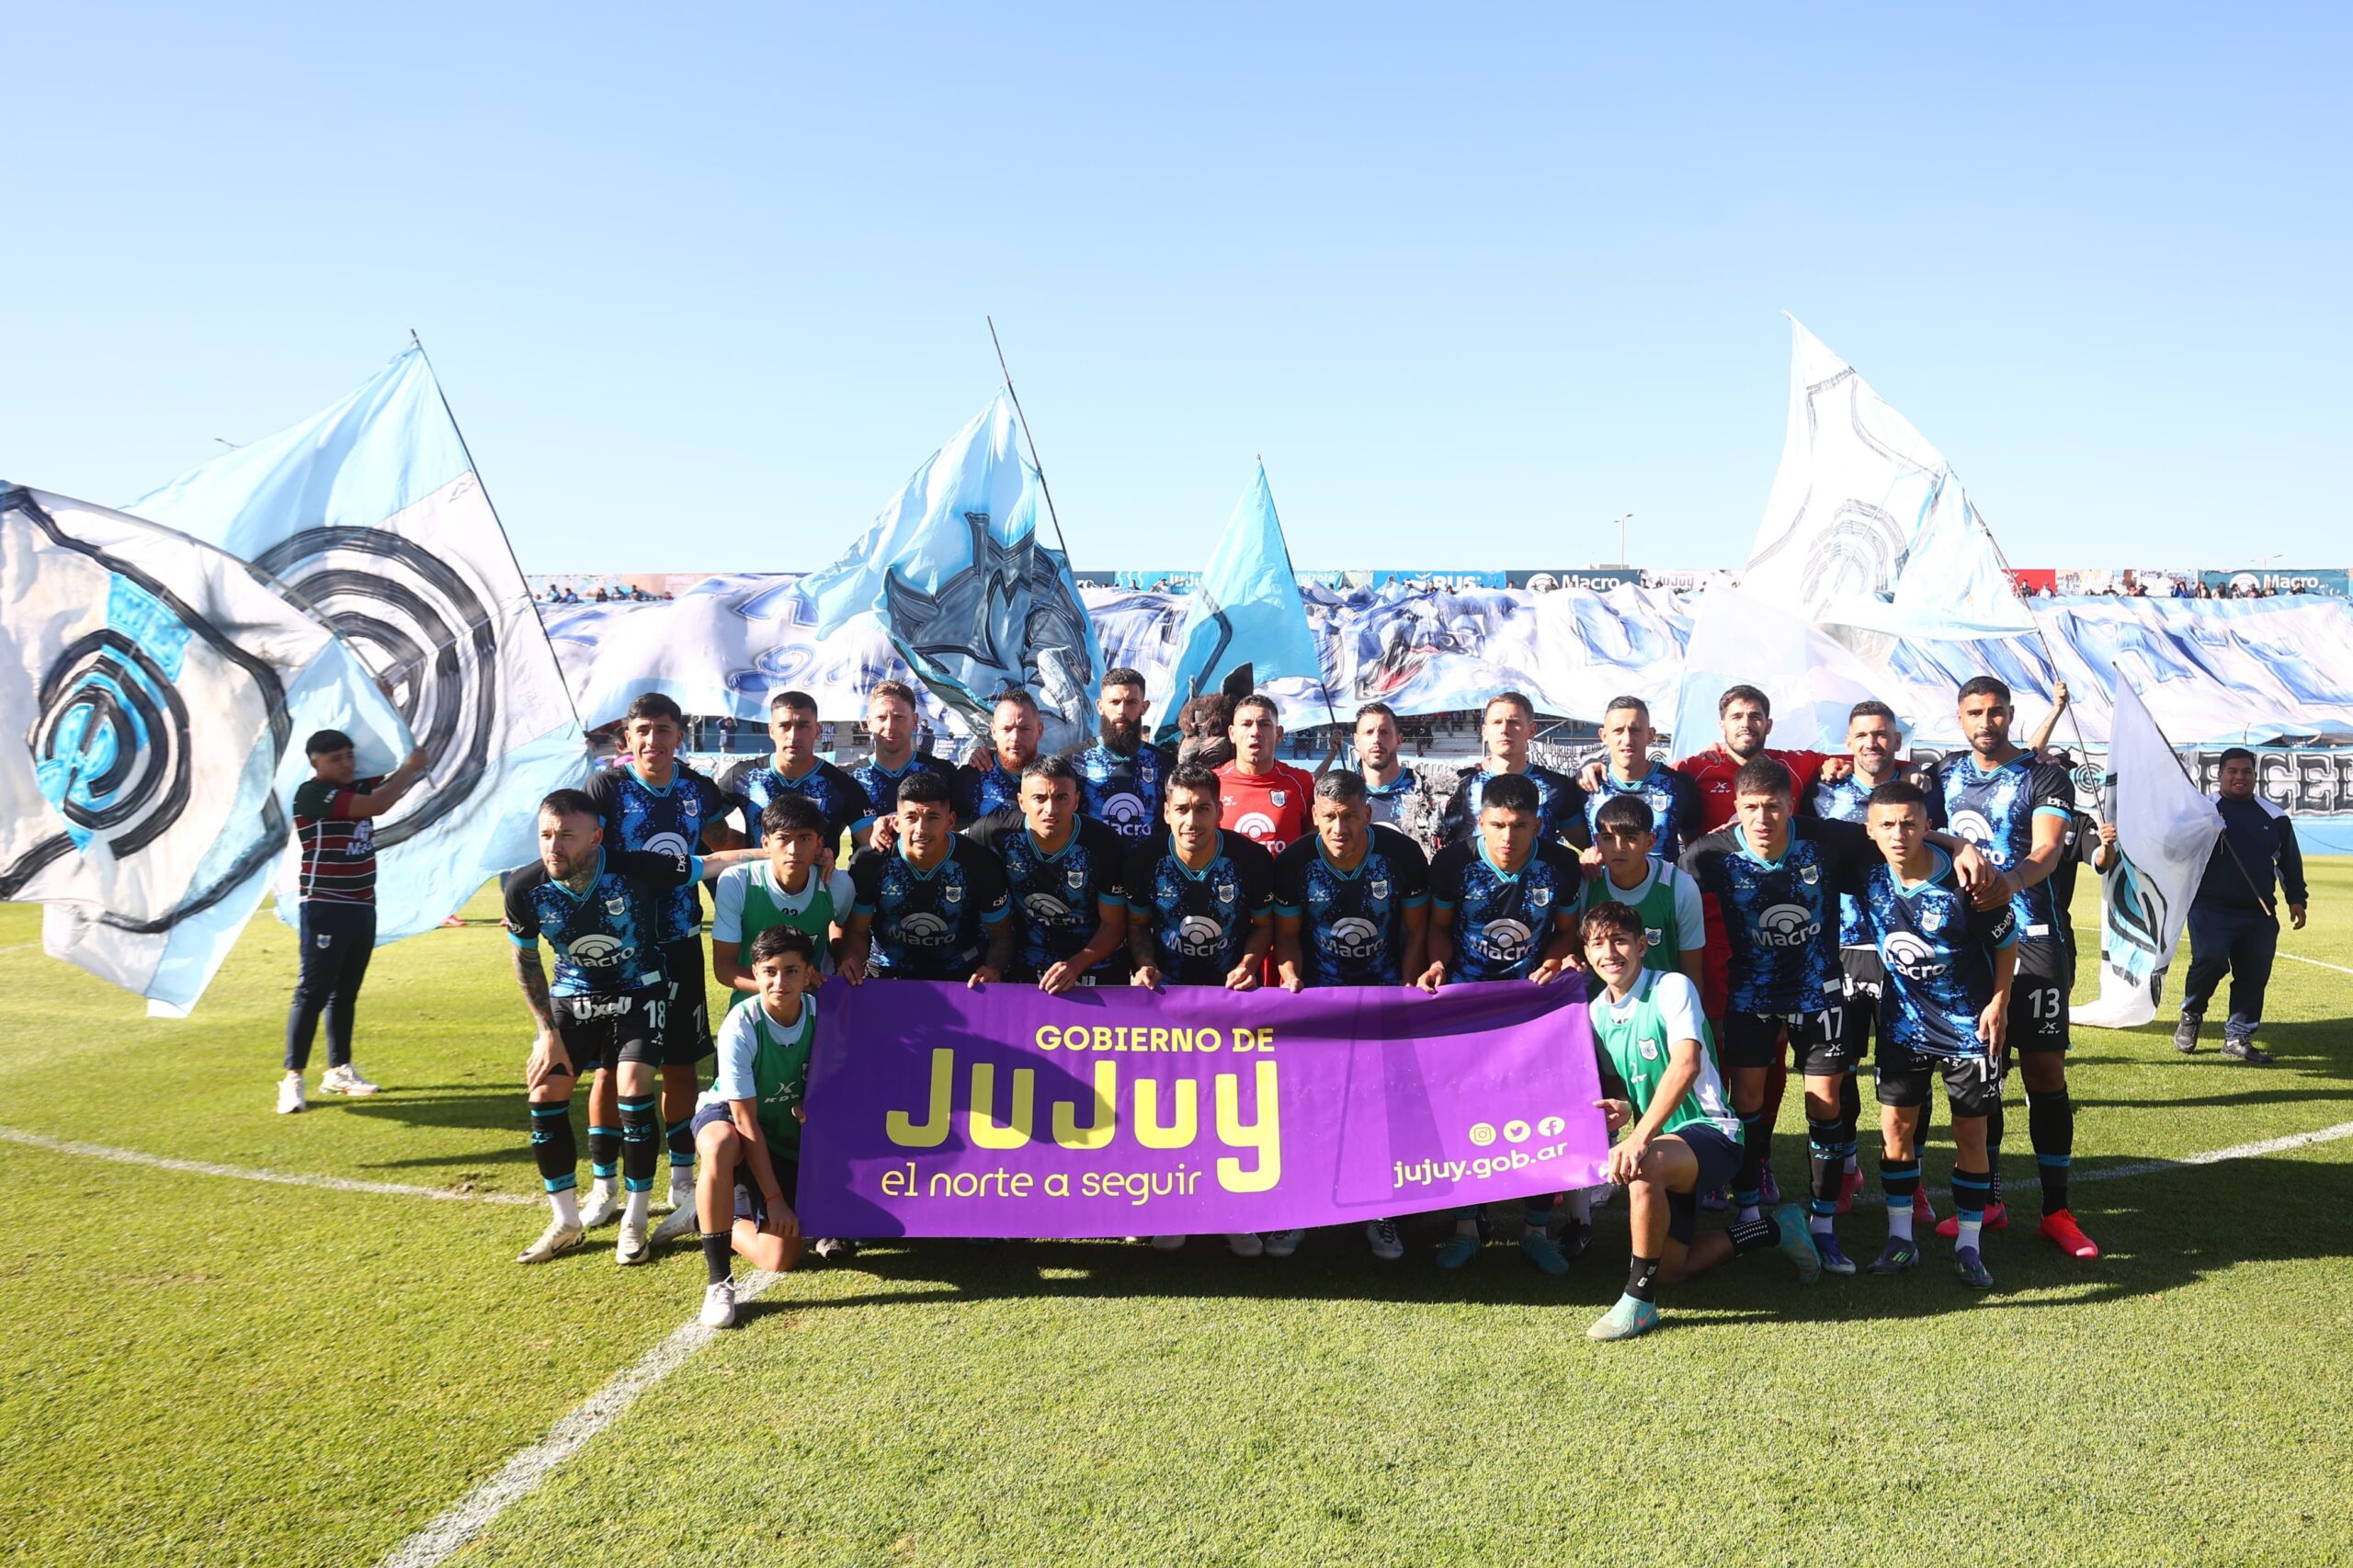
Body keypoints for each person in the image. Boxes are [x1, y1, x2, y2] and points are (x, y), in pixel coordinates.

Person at [1681, 757, 1997, 1274]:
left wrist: (1960, 845)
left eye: (1773, 807)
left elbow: (1895, 833)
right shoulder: (1710, 854)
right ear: (1735, 809)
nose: (1763, 818)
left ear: (1791, 805)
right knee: (1748, 1103)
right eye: (1751, 808)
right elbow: (1668, 889)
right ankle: (1749, 1211)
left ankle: (1823, 1226)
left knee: (1826, 1104)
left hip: (1820, 992)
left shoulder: (1824, 839)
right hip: (1752, 996)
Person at [504, 790, 754, 1266]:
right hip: (572, 997)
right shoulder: (523, 888)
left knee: (634, 1092)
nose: (553, 846)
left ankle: (634, 1222)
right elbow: (527, 961)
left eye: (566, 836)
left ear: (596, 838)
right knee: (544, 1096)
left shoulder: (636, 868)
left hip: (638, 991)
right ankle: (566, 1223)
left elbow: (713, 862)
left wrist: (781, 852)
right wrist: (546, 1033)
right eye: (546, 835)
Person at [1918, 676, 2100, 1261]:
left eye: (1995, 712)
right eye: (1974, 712)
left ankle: (2057, 1212)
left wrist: (2009, 881)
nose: (1985, 722)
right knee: (1985, 1070)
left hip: (2037, 939)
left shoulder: (2043, 775)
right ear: (1960, 717)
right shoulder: (1942, 775)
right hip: (1970, 945)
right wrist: (1957, 846)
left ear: (2011, 714)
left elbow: (2046, 850)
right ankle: (1990, 1201)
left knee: (2044, 1071)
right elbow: (1913, 828)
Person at [1581, 902, 1820, 1340]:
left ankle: (1638, 1301)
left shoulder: (1671, 987)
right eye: (1598, 943)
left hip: (1713, 1133)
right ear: (1587, 952)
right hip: (1663, 1141)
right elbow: (1628, 1085)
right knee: (1674, 1268)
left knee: (1643, 1166)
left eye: (1619, 940)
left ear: (1641, 945)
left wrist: (1639, 1135)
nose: (1609, 952)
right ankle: (1775, 1229)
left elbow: (1686, 1064)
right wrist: (1624, 1108)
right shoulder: (1596, 1013)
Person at [584, 693, 747, 1246]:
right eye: (643, 730)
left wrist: (768, 863)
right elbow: (592, 853)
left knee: (680, 1063)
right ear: (628, 738)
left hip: (679, 942)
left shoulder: (698, 789)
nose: (653, 740)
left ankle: (681, 1178)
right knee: (611, 1068)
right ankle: (604, 1186)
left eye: (663, 729)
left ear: (680, 735)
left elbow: (723, 845)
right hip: (623, 949)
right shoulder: (607, 788)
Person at [1416, 771, 1584, 1274]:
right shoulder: (1453, 862)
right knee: (1463, 1112)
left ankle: (1537, 1230)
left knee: (1542, 1115)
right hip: (1468, 1007)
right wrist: (1439, 964)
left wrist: (1554, 959)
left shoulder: (1560, 865)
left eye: (1519, 825)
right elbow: (1439, 927)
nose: (1508, 837)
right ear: (1481, 822)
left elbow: (1567, 932)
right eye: (1497, 825)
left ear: (1538, 825)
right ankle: (1466, 1227)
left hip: (1533, 1008)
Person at [1856, 781, 2018, 1288]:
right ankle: (1900, 1239)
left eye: (1909, 823)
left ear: (1928, 826)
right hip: (1902, 1024)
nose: (1898, 833)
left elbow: (2007, 940)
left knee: (1971, 1134)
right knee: (1895, 1129)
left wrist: (1999, 1002)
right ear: (1870, 831)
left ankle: (1969, 1246)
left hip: (1969, 1027)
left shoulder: (1968, 881)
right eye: (1887, 824)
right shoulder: (1865, 873)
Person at [1272, 771, 1432, 1261]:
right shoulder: (1295, 862)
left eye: (1349, 817)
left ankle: (1381, 1213)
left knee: (1380, 1111)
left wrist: (1406, 989)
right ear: (1314, 815)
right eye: (1328, 818)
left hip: (1383, 1000)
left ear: (1367, 813)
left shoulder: (1401, 855)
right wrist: (1290, 977)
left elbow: (1417, 932)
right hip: (1320, 1005)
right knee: (1310, 1110)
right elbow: (1288, 937)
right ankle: (1300, 1211)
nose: (1339, 828)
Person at [1125, 762, 1278, 1257]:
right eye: (1183, 809)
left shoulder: (1250, 859)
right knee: (1167, 1108)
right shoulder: (1145, 858)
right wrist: (1145, 964)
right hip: (1167, 1004)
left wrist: (1249, 963)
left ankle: (1236, 1215)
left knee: (1231, 1108)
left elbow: (1264, 925)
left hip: (1231, 1003)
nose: (1193, 820)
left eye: (1203, 808)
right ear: (1166, 813)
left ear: (1220, 811)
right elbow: (1136, 927)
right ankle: (1171, 1209)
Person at [277, 732, 429, 1114]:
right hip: (325, 904)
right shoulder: (312, 794)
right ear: (315, 763)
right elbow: (379, 803)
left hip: (362, 904)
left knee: (345, 992)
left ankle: (339, 1070)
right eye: (335, 759)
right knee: (312, 991)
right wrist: (410, 768)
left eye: (349, 755)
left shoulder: (357, 784)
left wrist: (394, 720)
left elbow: (393, 763)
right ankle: (293, 1078)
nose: (346, 764)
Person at [1800, 699, 1911, 1219]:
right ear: (1847, 742)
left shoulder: (1922, 791)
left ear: (1897, 740)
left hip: (1904, 948)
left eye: (1882, 733)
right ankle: (1846, 1168)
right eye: (1862, 734)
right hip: (1837, 949)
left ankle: (1911, 1180)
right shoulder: (1823, 793)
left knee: (1905, 1072)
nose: (1872, 743)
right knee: (1837, 1070)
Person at [691, 925, 817, 1328]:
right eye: (770, 971)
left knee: (780, 1258)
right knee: (721, 1144)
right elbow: (745, 1120)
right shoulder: (741, 1024)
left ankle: (706, 1215)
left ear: (809, 974)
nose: (780, 982)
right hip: (735, 1121)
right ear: (756, 973)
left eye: (791, 971)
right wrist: (775, 1198)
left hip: (782, 1131)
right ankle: (719, 1282)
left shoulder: (823, 1016)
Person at [2175, 748, 2308, 1065]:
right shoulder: (2201, 811)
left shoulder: (2274, 817)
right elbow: (2174, 849)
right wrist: (2203, 830)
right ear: (2219, 774)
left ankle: (2238, 1037)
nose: (2240, 777)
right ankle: (2192, 1012)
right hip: (2209, 907)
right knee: (2210, 961)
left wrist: (2296, 899)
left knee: (2254, 973)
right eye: (2232, 771)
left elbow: (2289, 861)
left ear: (2255, 776)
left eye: (2246, 771)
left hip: (2259, 911)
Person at [964, 756, 1131, 990]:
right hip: (1028, 958)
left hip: (1096, 961)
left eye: (1061, 798)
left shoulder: (1104, 844)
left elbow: (1114, 925)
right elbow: (944, 844)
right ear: (1022, 802)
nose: (1051, 809)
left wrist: (1074, 965)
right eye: (1039, 798)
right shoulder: (994, 833)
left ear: (1076, 801)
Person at [837, 770, 1012, 987]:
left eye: (932, 817)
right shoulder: (870, 862)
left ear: (950, 821)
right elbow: (856, 931)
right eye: (911, 818)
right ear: (896, 822)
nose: (921, 829)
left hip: (962, 976)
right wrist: (852, 959)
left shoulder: (977, 863)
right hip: (888, 970)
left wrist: (994, 968)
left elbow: (1001, 934)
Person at [710, 796, 854, 991]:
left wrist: (846, 957)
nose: (793, 850)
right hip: (753, 995)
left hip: (815, 997)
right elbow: (724, 967)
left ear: (819, 844)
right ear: (765, 843)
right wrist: (786, 989)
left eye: (804, 838)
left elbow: (844, 930)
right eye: (783, 838)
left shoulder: (838, 884)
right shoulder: (737, 882)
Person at [715, 689, 870, 858]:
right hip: (758, 876)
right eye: (784, 726)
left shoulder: (840, 784)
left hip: (822, 876)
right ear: (771, 731)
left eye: (803, 726)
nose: (793, 736)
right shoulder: (742, 776)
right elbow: (705, 826)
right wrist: (749, 853)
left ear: (817, 731)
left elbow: (872, 843)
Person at [1578, 794, 1704, 989]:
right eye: (1608, 838)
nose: (1618, 848)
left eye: (1630, 838)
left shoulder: (1680, 887)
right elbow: (1575, 951)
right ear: (1597, 842)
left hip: (1663, 1004)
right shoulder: (1586, 882)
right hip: (1600, 1005)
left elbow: (1692, 972)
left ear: (1650, 842)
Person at [1436, 692, 1588, 850]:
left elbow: (1588, 845)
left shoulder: (1556, 786)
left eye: (1514, 722)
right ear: (1485, 731)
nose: (1504, 729)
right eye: (1497, 722)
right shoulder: (1462, 784)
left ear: (1532, 730)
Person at [1581, 696, 1702, 859]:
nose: (1627, 740)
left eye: (1635, 730)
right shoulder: (1587, 785)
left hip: (1663, 876)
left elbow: (1693, 848)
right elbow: (1581, 843)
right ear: (1604, 735)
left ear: (1650, 735)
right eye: (1618, 730)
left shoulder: (1679, 786)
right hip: (1603, 876)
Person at [847, 680, 965, 846]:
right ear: (869, 723)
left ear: (915, 721)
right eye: (881, 717)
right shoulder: (849, 778)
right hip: (870, 863)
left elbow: (962, 830)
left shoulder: (942, 772)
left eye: (899, 717)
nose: (890, 726)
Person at [1069, 667, 1176, 840]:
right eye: (1115, 702)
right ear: (1100, 706)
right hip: (1094, 857)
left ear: (1144, 707)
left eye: (1131, 702)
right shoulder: (1072, 760)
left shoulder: (1165, 763)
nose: (1122, 711)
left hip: (1146, 858)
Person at [1216, 694, 1318, 854]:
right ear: (1232, 734)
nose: (1255, 732)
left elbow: (1314, 843)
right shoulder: (1213, 782)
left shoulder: (1303, 783)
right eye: (1246, 724)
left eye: (1264, 724)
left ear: (1279, 734)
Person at [1351, 700, 1440, 850]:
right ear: (1357, 741)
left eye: (1384, 732)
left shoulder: (1427, 793)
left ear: (1399, 740)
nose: (1376, 739)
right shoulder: (1346, 794)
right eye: (1369, 732)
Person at [966, 689, 1045, 823]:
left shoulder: (1060, 779)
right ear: (994, 731)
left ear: (1040, 730)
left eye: (1024, 729)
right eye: (1007, 729)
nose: (1015, 738)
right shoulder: (971, 778)